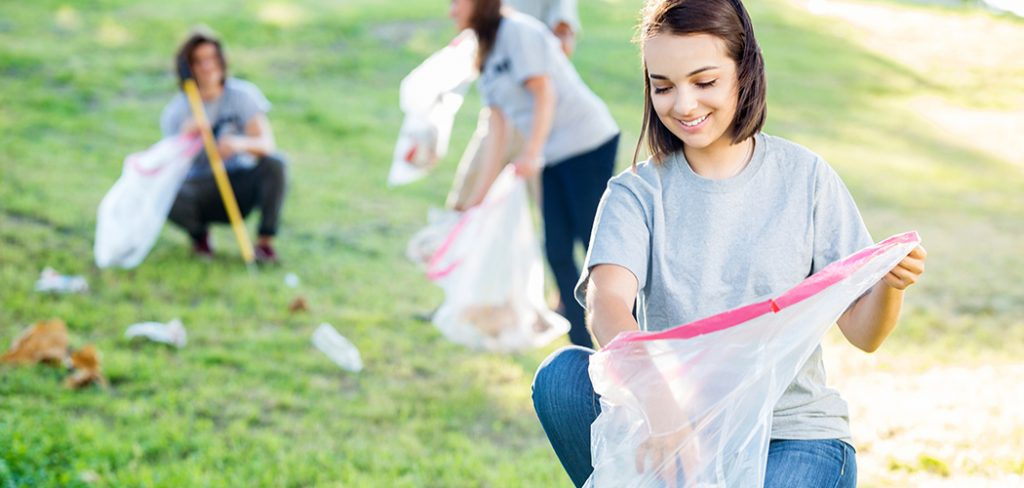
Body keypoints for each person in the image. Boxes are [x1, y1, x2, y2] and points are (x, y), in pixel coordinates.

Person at [530, 0, 928, 486]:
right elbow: (607, 303)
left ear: (745, 72)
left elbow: (866, 336)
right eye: (663, 87)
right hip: (671, 423)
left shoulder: (807, 179)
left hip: (791, 436)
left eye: (704, 82)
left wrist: (890, 286)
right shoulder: (635, 193)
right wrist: (663, 410)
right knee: (563, 378)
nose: (683, 105)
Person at [449, 0, 621, 348]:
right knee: (556, 249)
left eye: (456, 2)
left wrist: (532, 152)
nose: (450, 10)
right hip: (553, 153)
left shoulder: (518, 32)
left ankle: (625, 338)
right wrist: (479, 196)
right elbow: (498, 124)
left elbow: (545, 92)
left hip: (587, 143)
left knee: (595, 250)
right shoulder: (484, 47)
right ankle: (582, 345)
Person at [162, 28, 286, 263]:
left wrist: (240, 144)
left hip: (239, 181)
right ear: (188, 68)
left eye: (211, 58)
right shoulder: (177, 111)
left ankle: (265, 244)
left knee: (276, 164)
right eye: (198, 61)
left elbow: (267, 144)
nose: (207, 67)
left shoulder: (242, 95)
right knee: (164, 190)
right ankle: (200, 237)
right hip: (200, 187)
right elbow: (169, 165)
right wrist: (185, 138)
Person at [446, 0, 581, 210]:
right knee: (467, 201)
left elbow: (563, 40)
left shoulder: (521, 29)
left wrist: (526, 54)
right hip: (502, 108)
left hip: (538, 114)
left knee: (552, 211)